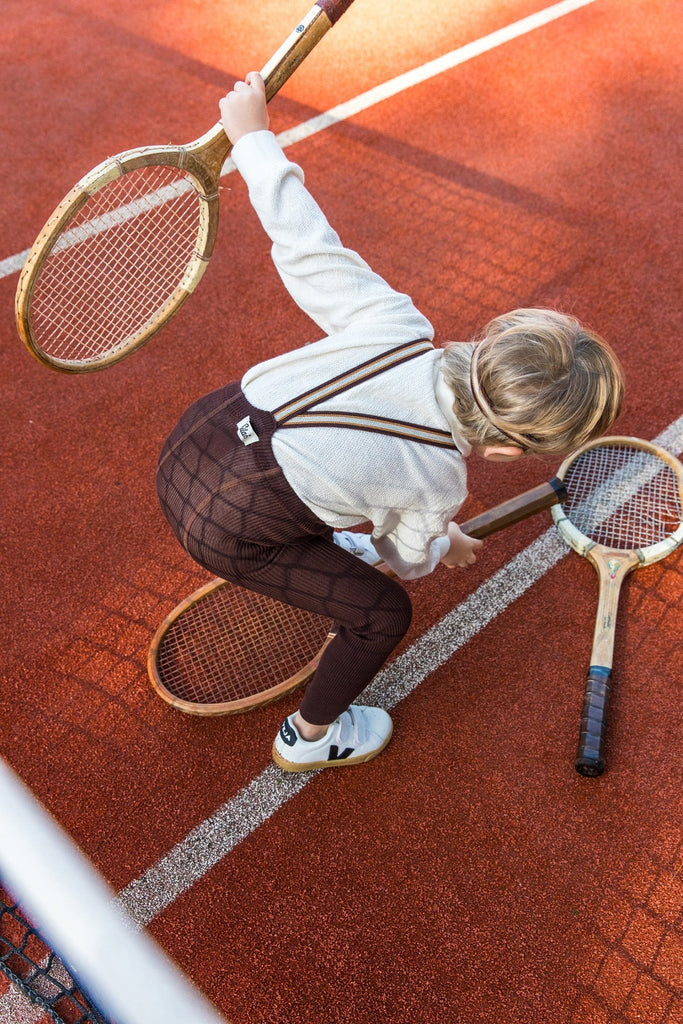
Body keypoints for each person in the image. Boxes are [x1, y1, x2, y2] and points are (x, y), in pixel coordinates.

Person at [156, 73, 624, 773]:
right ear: (498, 450)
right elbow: (408, 559)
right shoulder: (437, 480)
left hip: (187, 445)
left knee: (339, 491)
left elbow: (305, 245)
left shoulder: (399, 325)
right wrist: (443, 544)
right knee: (382, 614)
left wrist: (253, 138)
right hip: (226, 528)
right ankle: (309, 739)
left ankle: (327, 534)